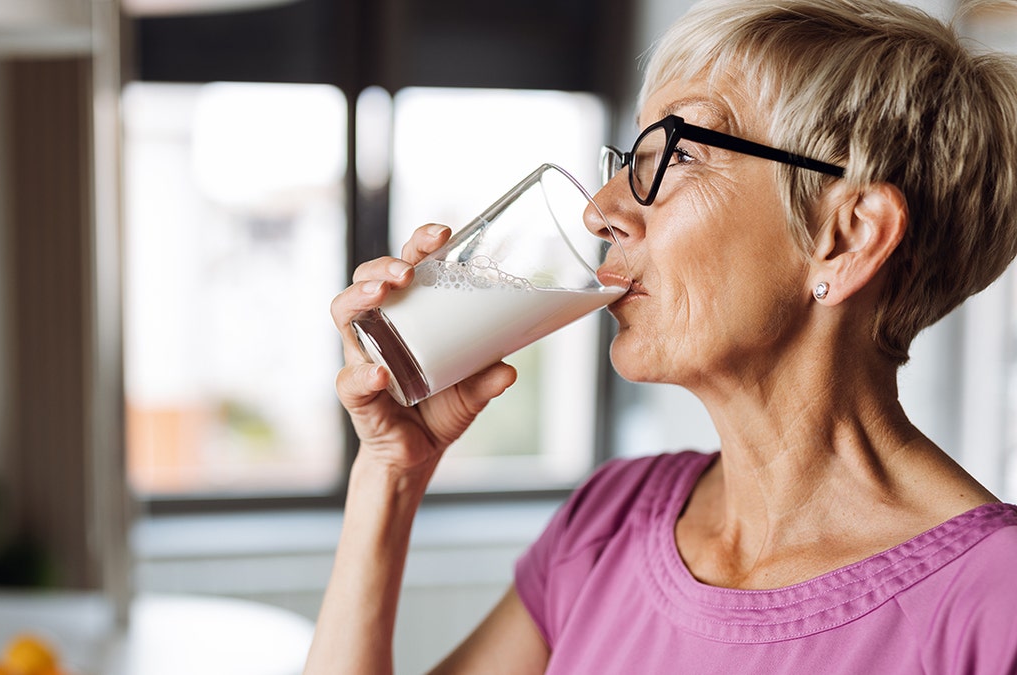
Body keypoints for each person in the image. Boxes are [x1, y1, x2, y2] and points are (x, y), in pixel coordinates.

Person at [306, 0, 1017, 672]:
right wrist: (388, 475)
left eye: (678, 153)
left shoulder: (995, 606)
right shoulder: (610, 521)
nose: (600, 210)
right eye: (628, 159)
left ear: (848, 237)